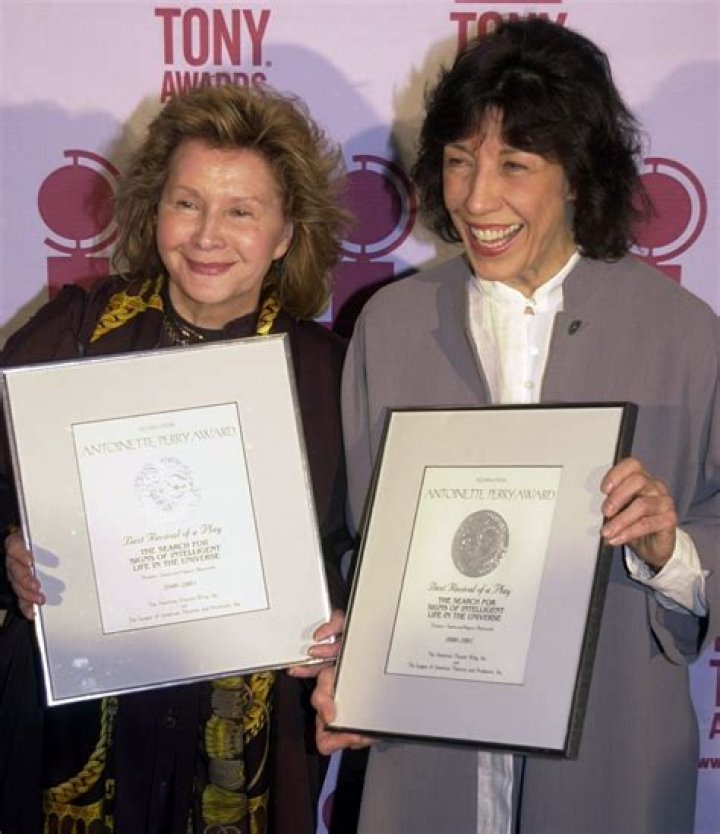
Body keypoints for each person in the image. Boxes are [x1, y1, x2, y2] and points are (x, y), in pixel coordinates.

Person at [313, 17, 719, 834]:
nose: (475, 199)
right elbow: (362, 543)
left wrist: (668, 547)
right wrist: (354, 659)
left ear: (577, 175)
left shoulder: (682, 333)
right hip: (425, 762)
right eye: (459, 160)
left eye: (514, 166)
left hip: (614, 758)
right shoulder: (390, 327)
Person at [0, 83, 350, 834]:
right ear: (153, 211)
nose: (207, 235)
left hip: (245, 753)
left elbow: (367, 547)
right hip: (78, 733)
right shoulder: (76, 335)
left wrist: (348, 624)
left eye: (241, 212)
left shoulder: (330, 374)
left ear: (286, 234)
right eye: (187, 203)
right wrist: (8, 549)